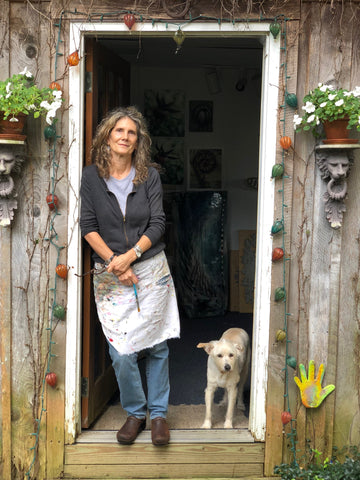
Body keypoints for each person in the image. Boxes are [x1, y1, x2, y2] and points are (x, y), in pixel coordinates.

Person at [80, 106, 180, 446]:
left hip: (149, 265)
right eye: (118, 131)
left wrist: (131, 256)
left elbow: (158, 223)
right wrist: (115, 263)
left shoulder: (148, 175)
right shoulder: (91, 176)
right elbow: (88, 226)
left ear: (139, 142)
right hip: (109, 270)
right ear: (107, 136)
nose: (124, 137)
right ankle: (136, 412)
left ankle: (159, 415)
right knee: (120, 348)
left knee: (156, 344)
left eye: (131, 133)